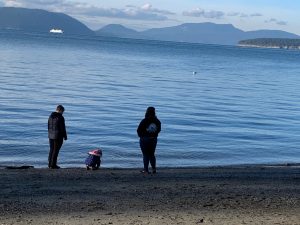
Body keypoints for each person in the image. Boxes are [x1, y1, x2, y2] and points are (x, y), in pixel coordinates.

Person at [137, 106, 161, 174]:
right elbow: (159, 130)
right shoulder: (157, 121)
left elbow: (138, 130)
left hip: (144, 139)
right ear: (154, 112)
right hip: (153, 139)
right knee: (152, 154)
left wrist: (141, 137)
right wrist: (154, 135)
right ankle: (154, 169)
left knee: (145, 154)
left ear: (147, 112)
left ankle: (146, 170)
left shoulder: (144, 120)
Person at [48, 105, 67, 169]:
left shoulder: (50, 116)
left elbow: (48, 126)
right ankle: (53, 165)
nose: (63, 113)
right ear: (60, 110)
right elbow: (63, 128)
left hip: (50, 136)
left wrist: (49, 134)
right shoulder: (60, 117)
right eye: (62, 111)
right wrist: (65, 136)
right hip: (58, 136)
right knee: (56, 151)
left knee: (51, 150)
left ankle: (49, 164)